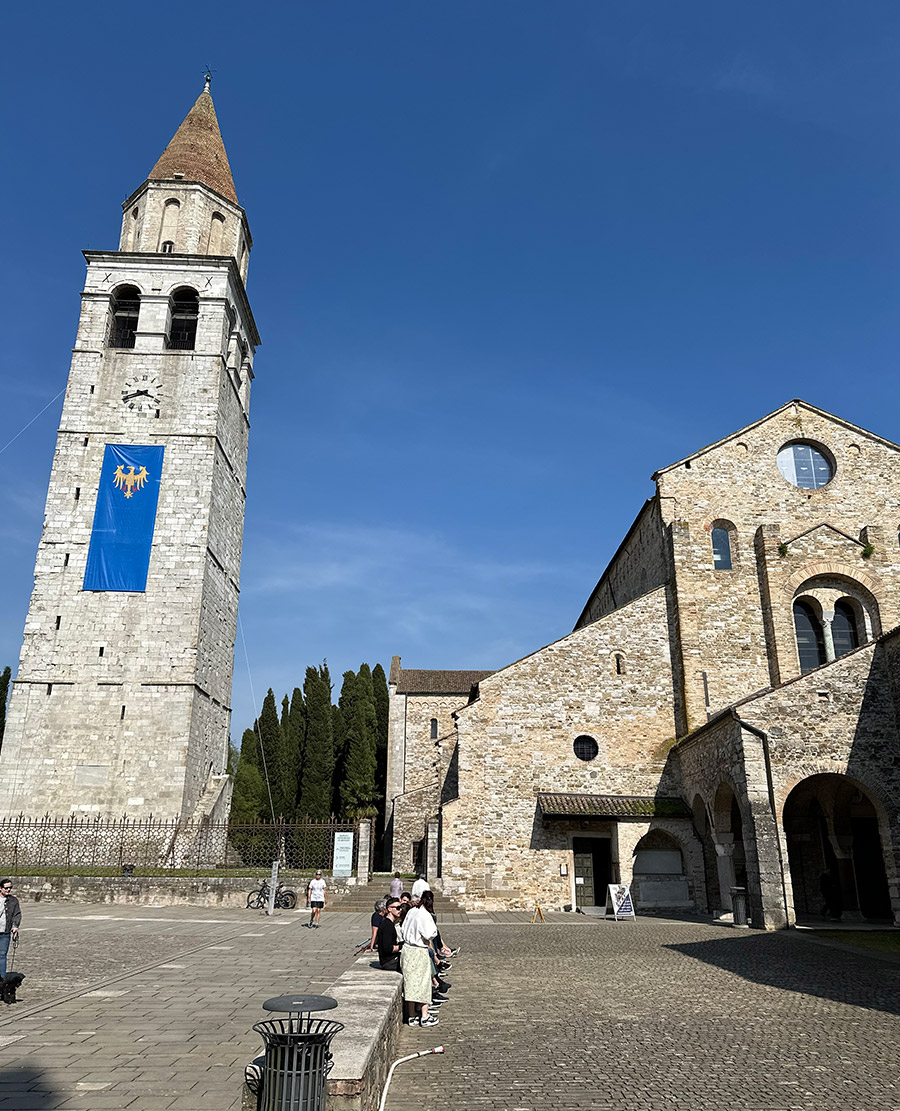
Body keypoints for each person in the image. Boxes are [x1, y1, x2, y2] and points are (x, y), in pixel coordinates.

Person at [398, 896, 439, 1027]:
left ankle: (411, 1016)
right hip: (418, 950)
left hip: (407, 949)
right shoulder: (424, 914)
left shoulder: (411, 911)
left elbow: (403, 928)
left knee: (410, 982)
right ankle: (425, 1016)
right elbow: (429, 934)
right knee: (422, 982)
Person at [0, 880, 21, 977]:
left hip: (5, 932)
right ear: (0, 888)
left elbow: (17, 914)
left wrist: (15, 926)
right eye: (6, 888)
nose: (8, 890)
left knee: (2, 955)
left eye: (10, 888)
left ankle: (2, 978)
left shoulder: (13, 901)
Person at [376, 899, 402, 971]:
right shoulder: (387, 925)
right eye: (397, 908)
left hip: (390, 960)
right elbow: (388, 948)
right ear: (389, 909)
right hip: (389, 962)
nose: (400, 910)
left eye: (400, 907)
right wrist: (402, 946)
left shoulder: (388, 923)